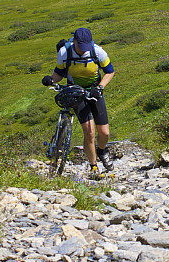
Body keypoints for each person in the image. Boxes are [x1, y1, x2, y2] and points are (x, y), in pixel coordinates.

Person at [42, 28, 115, 177]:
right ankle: (94, 167)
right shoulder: (64, 53)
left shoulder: (97, 52)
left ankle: (101, 150)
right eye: (80, 46)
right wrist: (51, 79)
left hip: (95, 91)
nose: (83, 50)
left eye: (86, 47)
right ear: (74, 41)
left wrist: (100, 87)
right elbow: (59, 73)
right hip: (75, 92)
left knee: (105, 133)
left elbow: (110, 71)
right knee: (89, 131)